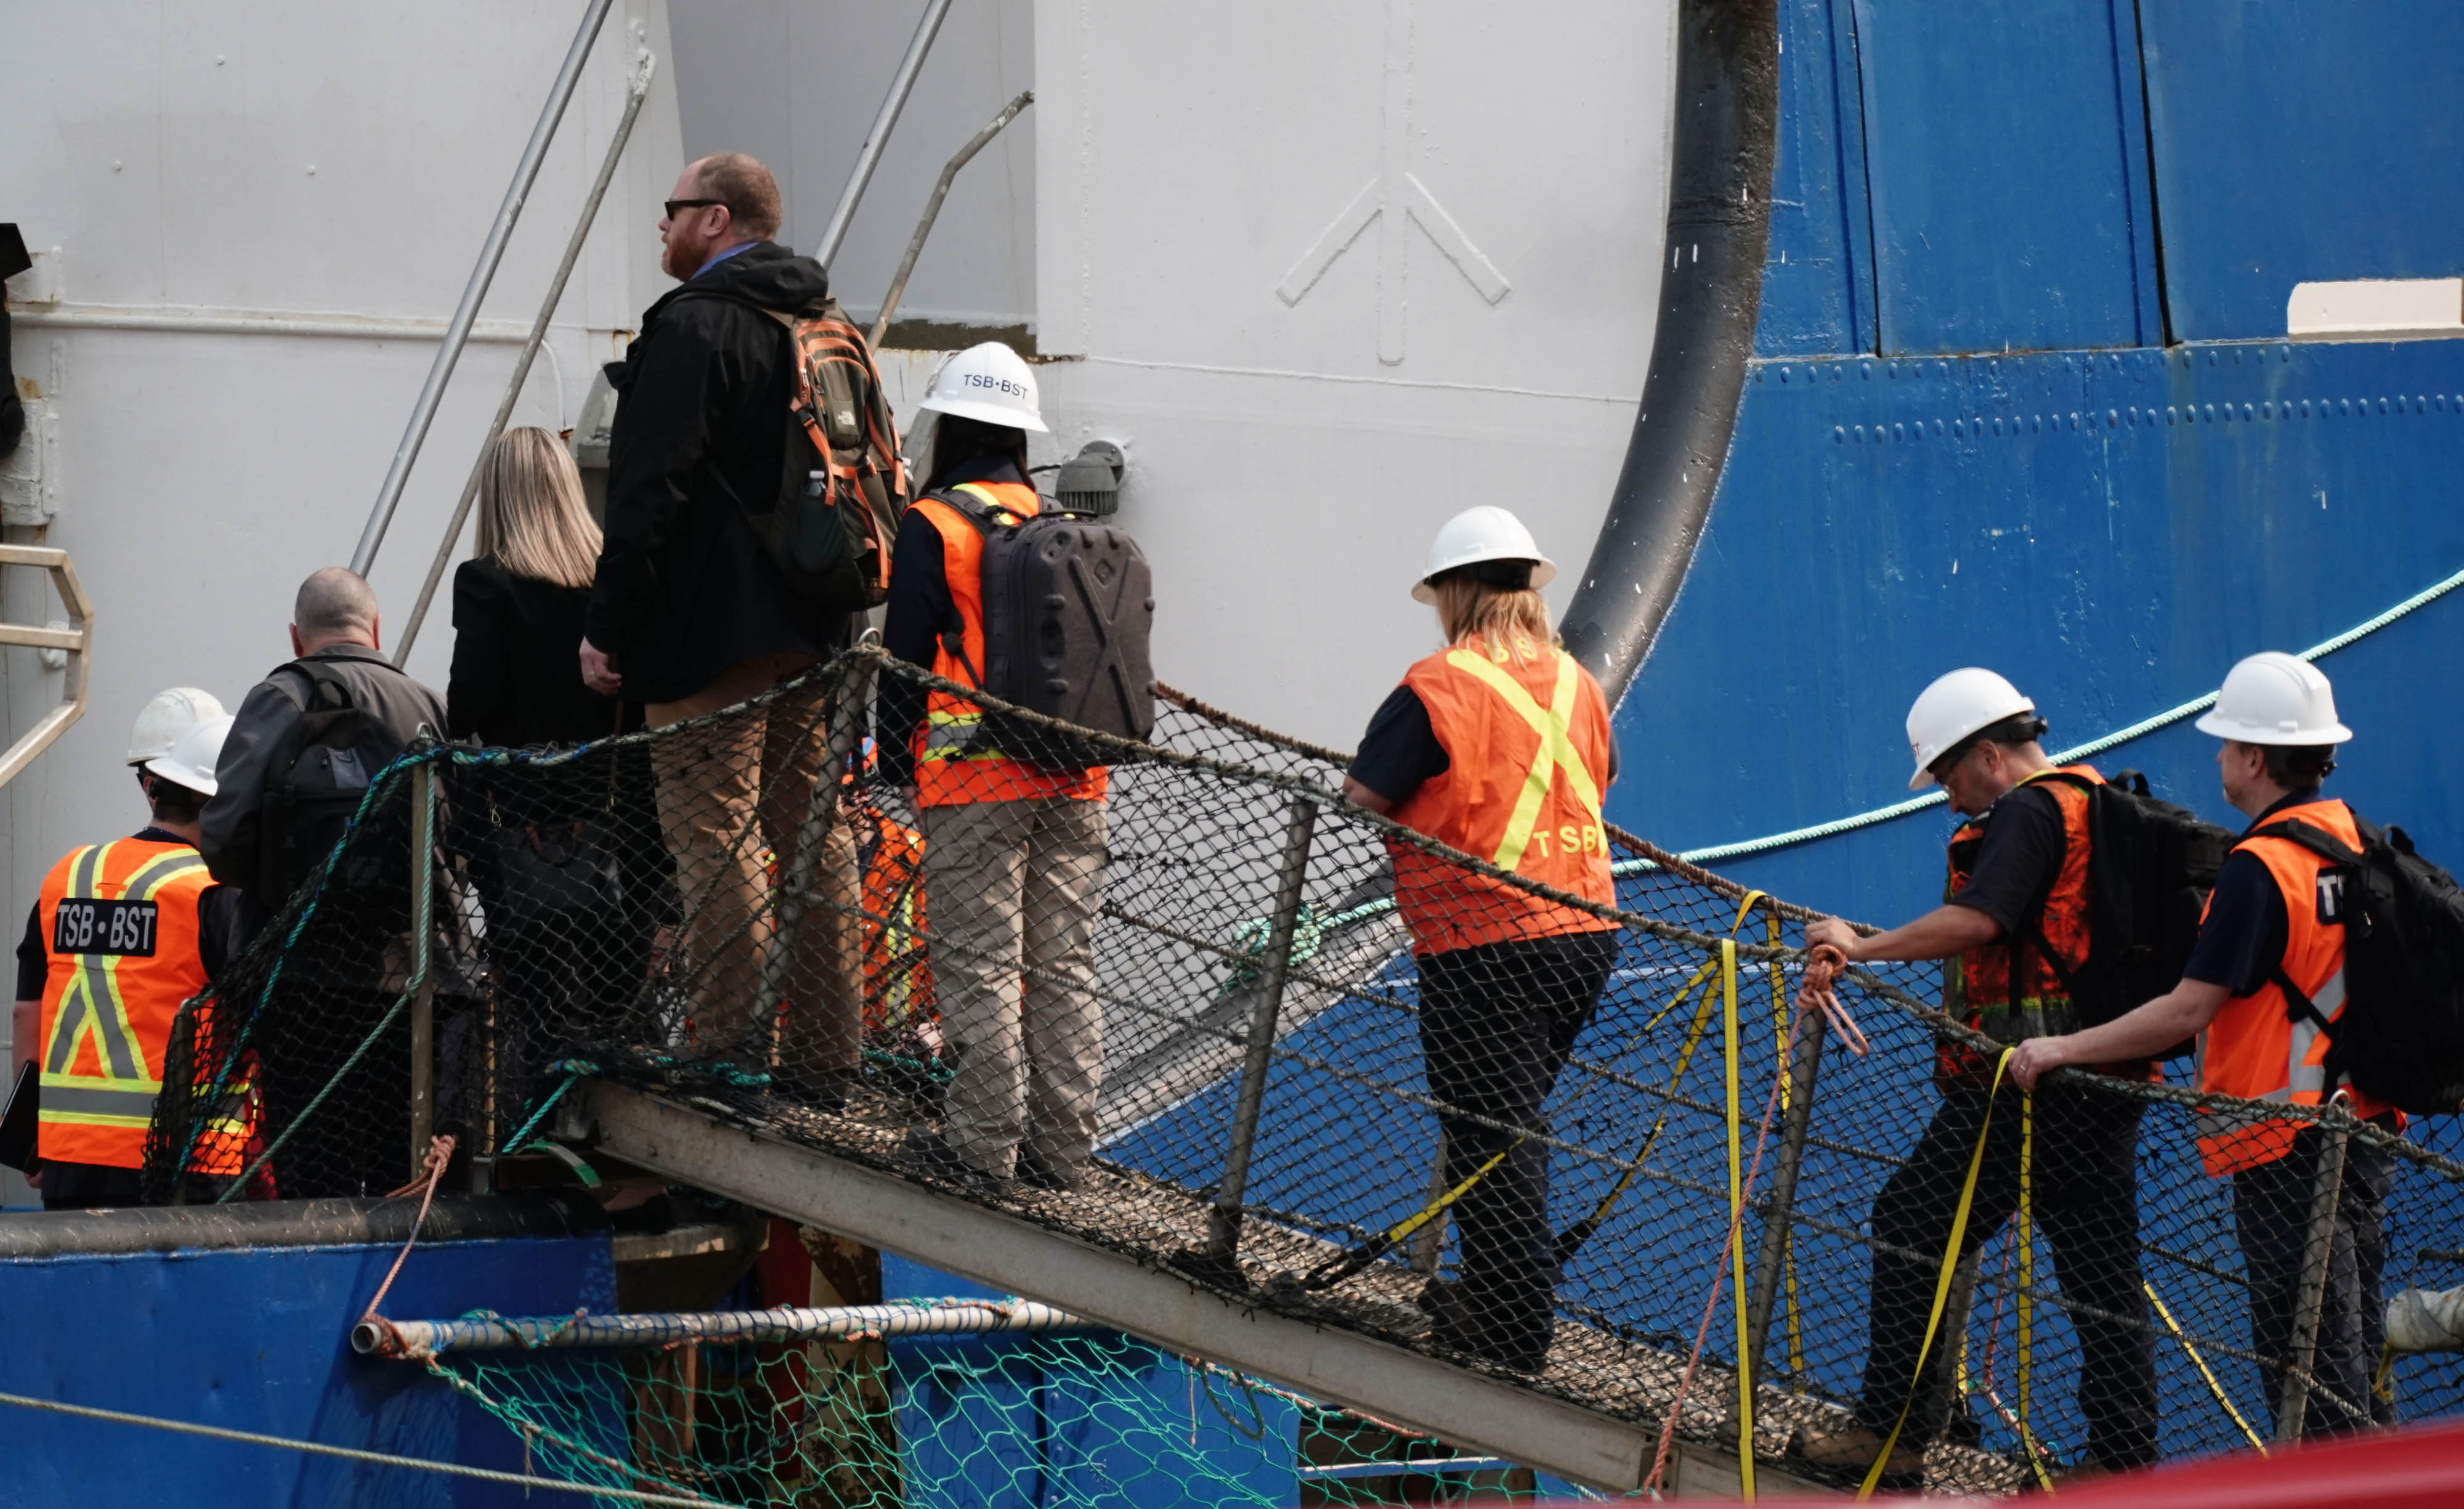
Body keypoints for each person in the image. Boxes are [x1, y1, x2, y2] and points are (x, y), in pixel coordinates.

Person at [2012, 652, 2397, 1438]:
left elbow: (2185, 1011)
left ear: (2255, 758)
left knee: (2307, 1362)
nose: (2217, 757)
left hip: (2285, 1140)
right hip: (2363, 1132)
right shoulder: (2356, 842)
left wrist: (2061, 1048)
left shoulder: (2261, 867)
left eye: (2225, 743)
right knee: (2352, 1343)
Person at [1789, 669, 2156, 1484]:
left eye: (1951, 777)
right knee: (2101, 1271)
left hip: (2029, 1081)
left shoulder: (2028, 809)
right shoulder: (2092, 801)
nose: (1952, 801)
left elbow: (1980, 919)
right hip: (2103, 1075)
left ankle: (1892, 1437)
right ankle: (2122, 1465)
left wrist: (1859, 944)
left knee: (1912, 1219)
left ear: (1989, 756)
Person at [579, 151, 859, 1098]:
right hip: (818, 627)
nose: (661, 225)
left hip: (709, 638)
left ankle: (730, 1053)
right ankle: (828, 1055)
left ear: (716, 220)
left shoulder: (694, 326)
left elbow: (647, 491)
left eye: (672, 209)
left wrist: (608, 627)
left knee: (716, 834)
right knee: (811, 834)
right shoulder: (824, 324)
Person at [1338, 505, 1619, 1373]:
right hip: (1585, 932)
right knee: (1507, 1124)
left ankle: (1513, 1323)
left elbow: (1361, 798)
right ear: (1530, 589)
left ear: (1454, 592)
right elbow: (1598, 778)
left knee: (1490, 1134)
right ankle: (1496, 1293)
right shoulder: (1579, 682)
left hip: (1480, 940)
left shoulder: (1438, 686)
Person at [878, 343, 1107, 1190]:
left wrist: (897, 762)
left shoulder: (935, 523)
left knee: (979, 961)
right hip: (1076, 777)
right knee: (1063, 964)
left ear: (951, 422)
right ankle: (1065, 1151)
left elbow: (904, 662)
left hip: (973, 779)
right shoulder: (1058, 522)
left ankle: (981, 1147)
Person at [201, 567, 447, 1196]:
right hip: (406, 976)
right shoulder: (426, 704)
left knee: (314, 1166)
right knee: (401, 1157)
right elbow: (458, 836)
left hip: (301, 978)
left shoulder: (280, 696)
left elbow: (224, 842)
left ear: (295, 636)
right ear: (376, 627)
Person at [448, 426, 663, 1123]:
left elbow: (471, 702)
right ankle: (632, 1142)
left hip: (526, 830)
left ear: (501, 498)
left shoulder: (487, 582)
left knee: (540, 1003)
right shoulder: (611, 583)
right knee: (620, 996)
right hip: (623, 823)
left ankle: (548, 1139)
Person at [14, 704, 244, 1209]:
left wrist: (30, 1129)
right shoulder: (215, 893)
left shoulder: (68, 876)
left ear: (154, 788)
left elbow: (28, 1011)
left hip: (70, 1157)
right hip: (184, 1161)